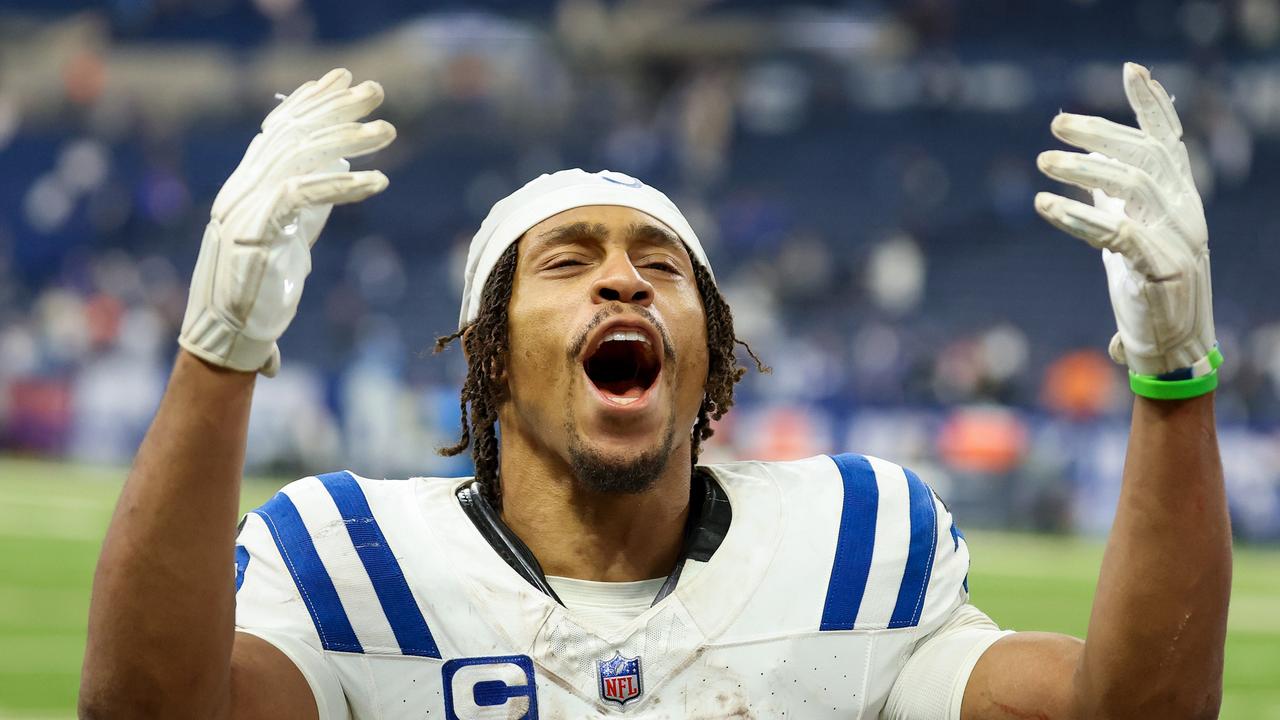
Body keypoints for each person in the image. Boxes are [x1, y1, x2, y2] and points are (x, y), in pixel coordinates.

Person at [80, 63, 1228, 719]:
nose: (622, 276)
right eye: (568, 261)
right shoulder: (347, 561)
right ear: (489, 354)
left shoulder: (854, 545)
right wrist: (218, 349)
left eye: (660, 265)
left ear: (710, 352)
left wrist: (1171, 377)